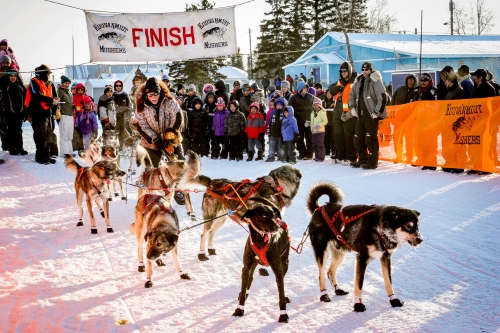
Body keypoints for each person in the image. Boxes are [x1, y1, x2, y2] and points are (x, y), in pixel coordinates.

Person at [348, 62, 387, 169]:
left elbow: (383, 97)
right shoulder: (358, 81)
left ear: (370, 70)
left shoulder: (375, 80)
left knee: (370, 139)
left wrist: (376, 112)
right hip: (360, 115)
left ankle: (372, 162)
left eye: (367, 69)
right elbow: (351, 95)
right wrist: (352, 108)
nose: (364, 72)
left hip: (371, 116)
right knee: (359, 139)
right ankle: (362, 159)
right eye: (363, 70)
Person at [135, 77, 182, 167]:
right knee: (152, 170)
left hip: (171, 141)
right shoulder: (141, 107)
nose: (153, 97)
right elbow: (142, 126)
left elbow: (177, 119)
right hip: (150, 144)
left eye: (155, 94)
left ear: (160, 92)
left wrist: (169, 138)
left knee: (179, 167)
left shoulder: (171, 102)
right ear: (146, 95)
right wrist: (155, 139)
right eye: (150, 95)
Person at [26, 64, 59, 164]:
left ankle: (47, 156)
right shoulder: (34, 81)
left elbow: (55, 96)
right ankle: (40, 157)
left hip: (48, 113)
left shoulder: (50, 83)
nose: (48, 75)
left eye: (49, 74)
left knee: (49, 135)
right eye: (47, 73)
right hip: (37, 113)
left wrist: (55, 104)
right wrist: (51, 100)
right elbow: (36, 95)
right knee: (40, 136)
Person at [442, 70, 466, 174]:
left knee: (458, 145)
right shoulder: (450, 91)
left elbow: (460, 108)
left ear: (450, 81)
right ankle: (450, 162)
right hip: (449, 123)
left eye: (446, 80)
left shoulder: (459, 91)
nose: (445, 83)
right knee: (450, 144)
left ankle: (459, 165)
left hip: (457, 124)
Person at [1, 70, 26, 155]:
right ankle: (12, 148)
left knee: (19, 130)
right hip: (9, 114)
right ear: (9, 77)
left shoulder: (21, 87)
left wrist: (25, 112)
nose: (13, 77)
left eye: (14, 76)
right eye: (11, 76)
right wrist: (4, 113)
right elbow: (3, 101)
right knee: (11, 131)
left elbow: (25, 100)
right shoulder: (6, 87)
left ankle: (20, 147)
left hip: (19, 113)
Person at [288, 81, 314, 159]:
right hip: (298, 121)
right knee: (299, 138)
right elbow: (290, 109)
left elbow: (317, 105)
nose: (305, 89)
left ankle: (309, 154)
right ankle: (302, 153)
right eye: (304, 88)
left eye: (306, 88)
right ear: (300, 89)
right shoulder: (293, 98)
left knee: (309, 138)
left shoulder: (311, 97)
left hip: (309, 121)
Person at [57, 76, 74, 156]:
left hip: (70, 115)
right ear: (62, 83)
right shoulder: (60, 92)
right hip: (64, 115)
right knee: (64, 134)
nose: (67, 85)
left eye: (68, 83)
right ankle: (64, 152)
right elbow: (57, 102)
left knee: (70, 134)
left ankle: (70, 151)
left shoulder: (69, 92)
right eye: (65, 83)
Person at [113, 80, 132, 150]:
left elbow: (129, 106)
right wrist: (124, 108)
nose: (118, 87)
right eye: (117, 86)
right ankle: (114, 147)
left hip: (124, 117)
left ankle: (122, 147)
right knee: (115, 133)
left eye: (120, 86)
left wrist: (126, 111)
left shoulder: (125, 95)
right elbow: (114, 108)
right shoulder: (112, 95)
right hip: (115, 117)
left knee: (124, 133)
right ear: (115, 86)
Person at [266, 97, 285, 162]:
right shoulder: (273, 113)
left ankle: (281, 156)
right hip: (273, 133)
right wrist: (269, 132)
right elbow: (270, 122)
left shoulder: (284, 113)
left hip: (281, 133)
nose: (279, 106)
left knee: (281, 146)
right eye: (277, 105)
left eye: (280, 105)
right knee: (272, 146)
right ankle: (271, 156)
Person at [310, 97, 328, 162]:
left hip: (320, 131)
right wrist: (310, 125)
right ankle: (317, 156)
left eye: (317, 105)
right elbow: (313, 121)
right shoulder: (312, 113)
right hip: (314, 131)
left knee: (320, 144)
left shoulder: (322, 112)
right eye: (314, 105)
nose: (315, 106)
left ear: (319, 105)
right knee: (315, 144)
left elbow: (325, 121)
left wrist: (319, 125)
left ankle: (321, 157)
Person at [72, 83, 87, 156]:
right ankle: (74, 148)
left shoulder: (86, 97)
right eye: (79, 90)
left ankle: (81, 148)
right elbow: (73, 106)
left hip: (84, 119)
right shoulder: (74, 97)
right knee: (75, 134)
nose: (80, 91)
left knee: (81, 135)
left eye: (82, 90)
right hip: (76, 118)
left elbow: (90, 105)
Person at [322, 89, 335, 159]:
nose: (328, 95)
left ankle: (334, 151)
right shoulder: (323, 103)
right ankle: (326, 151)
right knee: (325, 138)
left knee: (333, 138)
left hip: (333, 123)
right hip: (325, 124)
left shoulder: (335, 102)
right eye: (327, 93)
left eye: (330, 93)